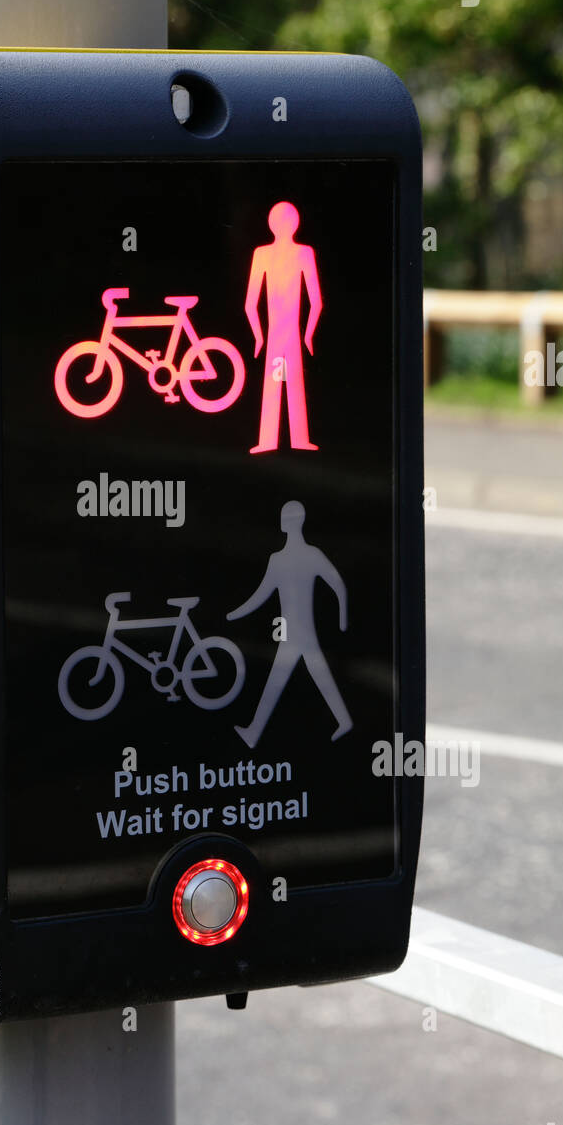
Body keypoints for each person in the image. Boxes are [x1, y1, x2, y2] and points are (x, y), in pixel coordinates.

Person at [228, 500, 352, 747]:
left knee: (281, 681)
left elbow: (337, 584)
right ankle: (343, 721)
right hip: (295, 634)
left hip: (297, 635)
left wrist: (343, 619)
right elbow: (262, 594)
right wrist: (236, 613)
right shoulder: (289, 558)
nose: (284, 522)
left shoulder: (295, 557)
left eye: (287, 517)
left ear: (293, 522)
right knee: (315, 676)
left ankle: (254, 732)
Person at [243, 201, 321, 452]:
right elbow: (316, 302)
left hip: (276, 335)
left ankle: (270, 441)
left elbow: (249, 305)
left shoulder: (264, 254)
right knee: (292, 381)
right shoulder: (302, 253)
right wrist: (308, 334)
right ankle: (294, 440)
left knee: (277, 382)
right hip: (290, 334)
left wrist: (259, 336)